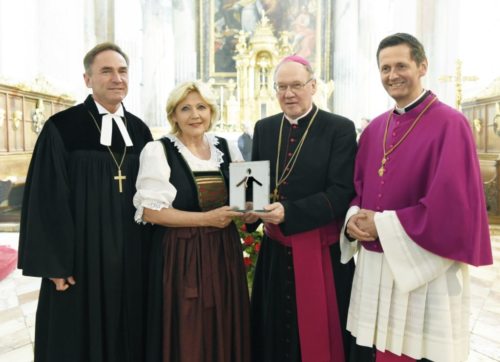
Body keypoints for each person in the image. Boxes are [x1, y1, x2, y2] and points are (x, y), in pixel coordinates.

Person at [342, 33, 493, 362]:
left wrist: (381, 225)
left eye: (401, 65)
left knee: (418, 349)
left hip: (422, 264)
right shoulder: (374, 129)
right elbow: (359, 188)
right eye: (385, 68)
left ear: (422, 66)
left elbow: (453, 208)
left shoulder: (451, 124)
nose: (392, 75)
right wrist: (353, 216)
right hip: (377, 264)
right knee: (374, 347)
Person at [17, 42, 153, 362]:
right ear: (87, 79)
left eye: (122, 71)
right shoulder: (62, 128)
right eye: (106, 71)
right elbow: (46, 199)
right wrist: (54, 265)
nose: (117, 78)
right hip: (82, 259)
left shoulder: (141, 131)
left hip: (134, 256)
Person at [244, 55, 357, 362]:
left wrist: (289, 212)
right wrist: (249, 209)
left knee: (318, 331)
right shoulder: (265, 127)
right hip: (275, 251)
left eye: (296, 85)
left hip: (321, 250)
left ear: (313, 86)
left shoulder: (339, 129)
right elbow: (255, 183)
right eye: (281, 87)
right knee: (274, 328)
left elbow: (342, 191)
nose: (288, 93)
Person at [133, 81, 251, 362]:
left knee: (224, 316)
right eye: (185, 108)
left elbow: (243, 199)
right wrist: (205, 219)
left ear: (212, 112)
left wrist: (253, 209)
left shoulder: (229, 147)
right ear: (173, 115)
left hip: (223, 251)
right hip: (181, 253)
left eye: (201, 107)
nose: (194, 115)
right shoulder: (158, 150)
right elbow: (149, 212)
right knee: (189, 325)